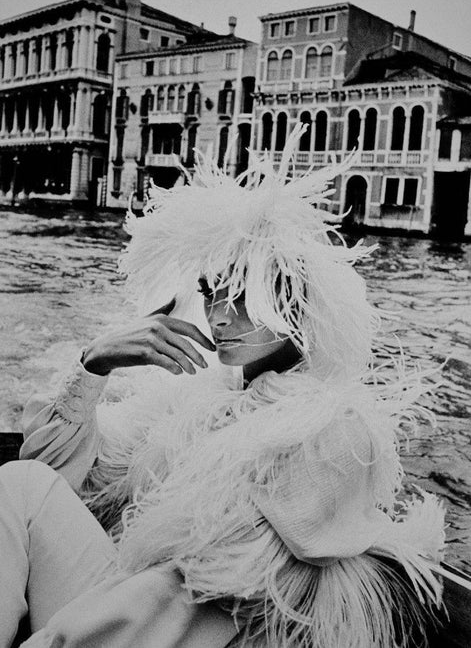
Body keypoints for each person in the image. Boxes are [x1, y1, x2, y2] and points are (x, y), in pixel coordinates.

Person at [2, 125, 445, 647]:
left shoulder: (331, 426)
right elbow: (56, 472)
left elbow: (203, 592)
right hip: (124, 610)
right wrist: (96, 363)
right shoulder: (193, 400)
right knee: (21, 483)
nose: (218, 317)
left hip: (178, 631)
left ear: (293, 305)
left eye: (239, 295)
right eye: (211, 293)